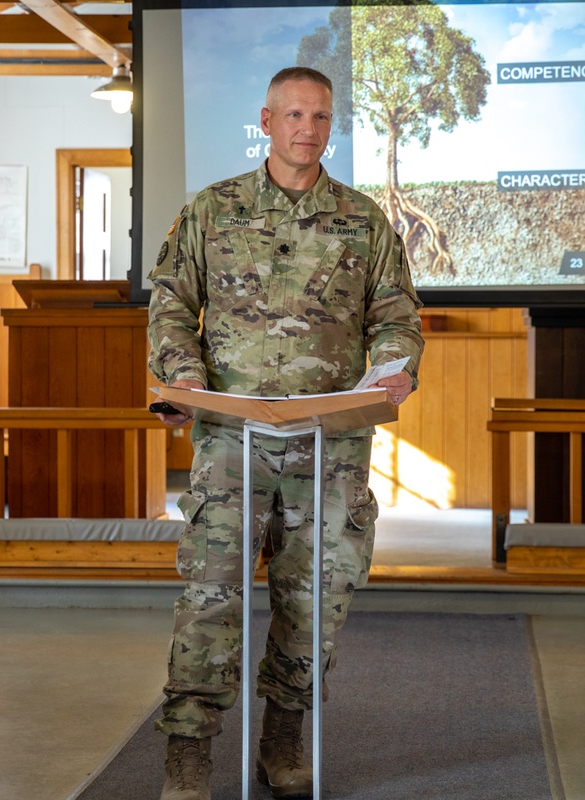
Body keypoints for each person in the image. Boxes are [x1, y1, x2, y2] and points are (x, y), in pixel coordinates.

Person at [147, 66, 424, 800]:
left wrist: (397, 369)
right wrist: (184, 376)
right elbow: (172, 305)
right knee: (211, 597)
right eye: (294, 115)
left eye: (321, 117)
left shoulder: (364, 222)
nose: (308, 129)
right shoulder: (212, 210)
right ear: (266, 121)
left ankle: (282, 742)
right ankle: (189, 751)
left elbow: (396, 318)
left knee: (315, 601)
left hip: (329, 448)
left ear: (332, 125)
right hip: (230, 443)